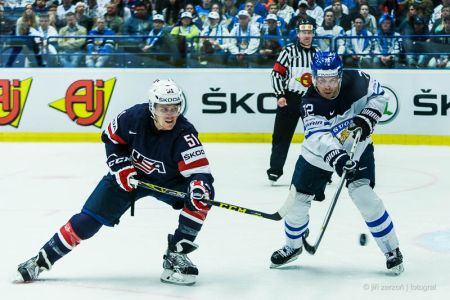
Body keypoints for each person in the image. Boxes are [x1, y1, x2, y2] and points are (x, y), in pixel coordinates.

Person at [16, 79, 215, 286]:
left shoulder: (185, 134)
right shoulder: (133, 118)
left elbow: (201, 173)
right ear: (152, 107)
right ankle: (40, 261)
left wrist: (199, 187)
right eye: (164, 108)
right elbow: (111, 139)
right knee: (87, 222)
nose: (170, 114)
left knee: (203, 199)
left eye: (174, 108)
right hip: (129, 178)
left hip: (169, 183)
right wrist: (121, 166)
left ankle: (176, 253)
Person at [269, 52, 404, 276]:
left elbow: (380, 96)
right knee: (297, 203)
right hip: (317, 155)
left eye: (332, 80)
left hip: (357, 146)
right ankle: (292, 247)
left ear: (340, 76)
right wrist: (339, 158)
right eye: (322, 80)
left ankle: (392, 250)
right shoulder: (310, 102)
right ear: (313, 78)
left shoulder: (359, 80)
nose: (327, 86)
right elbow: (320, 138)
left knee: (364, 196)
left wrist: (368, 116)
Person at [267, 18, 317, 183]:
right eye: (304, 32)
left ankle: (322, 170)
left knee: (318, 136)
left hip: (312, 99)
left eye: (309, 32)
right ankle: (275, 170)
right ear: (298, 34)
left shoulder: (318, 54)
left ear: (313, 34)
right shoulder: (288, 51)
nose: (307, 35)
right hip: (290, 98)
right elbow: (276, 74)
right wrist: (280, 95)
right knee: (281, 136)